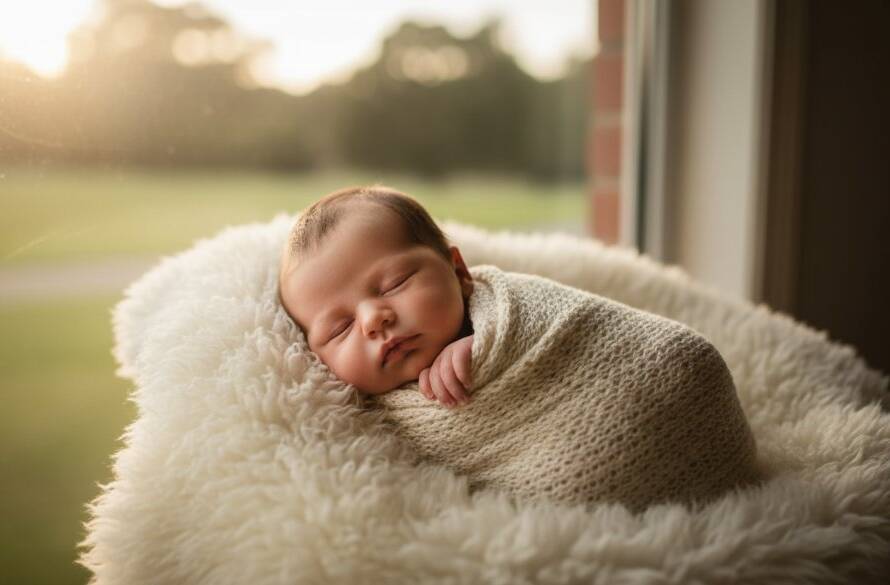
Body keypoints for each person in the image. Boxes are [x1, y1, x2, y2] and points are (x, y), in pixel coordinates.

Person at [277, 185, 476, 407]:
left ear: (459, 272)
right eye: (341, 328)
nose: (372, 319)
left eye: (395, 284)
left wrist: (484, 345)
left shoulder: (500, 310)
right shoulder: (350, 414)